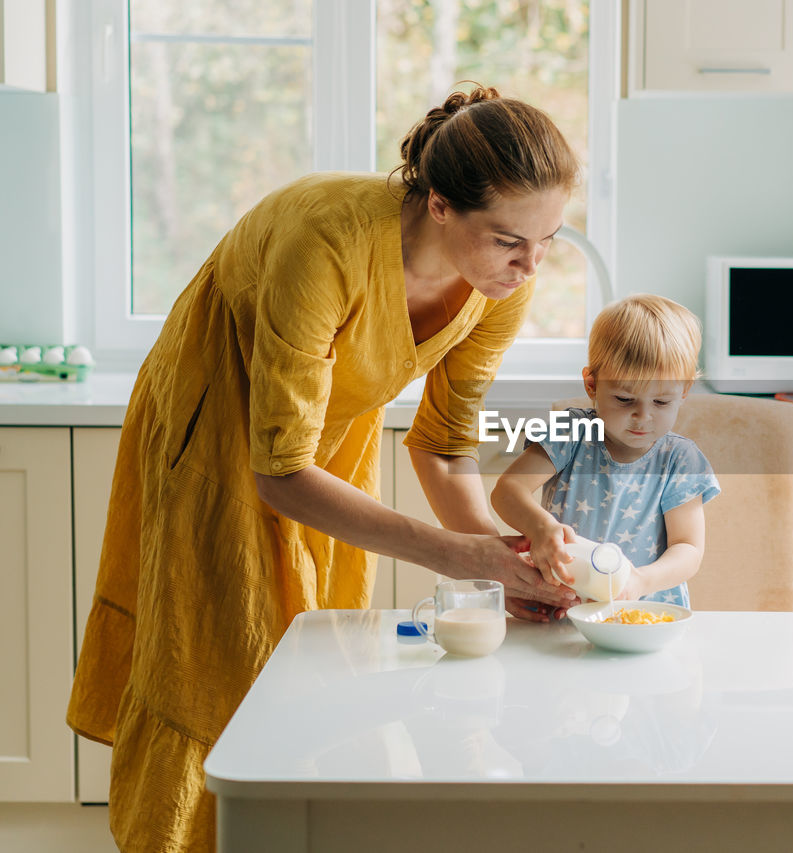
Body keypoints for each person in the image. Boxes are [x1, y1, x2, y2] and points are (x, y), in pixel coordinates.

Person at [66, 84, 582, 852]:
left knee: (321, 652)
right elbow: (277, 471)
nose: (530, 264)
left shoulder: (501, 283)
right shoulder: (327, 240)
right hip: (217, 418)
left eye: (550, 240)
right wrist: (454, 552)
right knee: (222, 658)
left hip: (330, 433)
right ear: (440, 205)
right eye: (510, 239)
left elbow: (443, 439)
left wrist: (502, 562)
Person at [491, 294, 720, 607]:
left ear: (684, 391)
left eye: (662, 402)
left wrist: (641, 581)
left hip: (643, 610)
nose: (643, 416)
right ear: (592, 385)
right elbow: (507, 491)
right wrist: (540, 527)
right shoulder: (570, 432)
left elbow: (688, 548)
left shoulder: (679, 459)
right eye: (625, 400)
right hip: (563, 604)